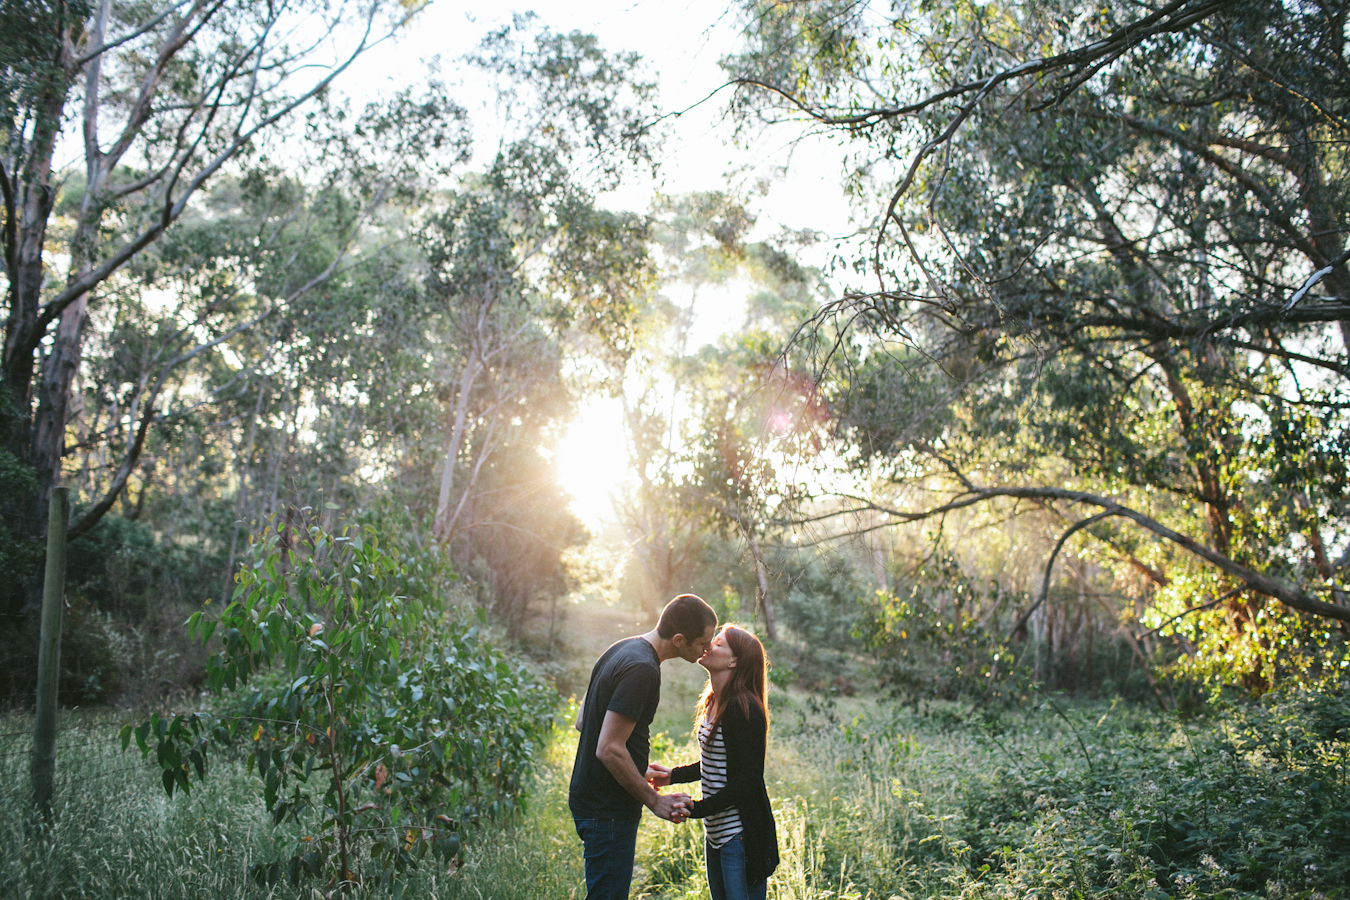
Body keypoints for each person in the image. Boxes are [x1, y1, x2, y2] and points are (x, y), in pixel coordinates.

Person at [570, 593, 718, 900]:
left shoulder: (622, 648)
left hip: (592, 800)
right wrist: (655, 801)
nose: (708, 650)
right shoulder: (643, 668)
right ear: (679, 639)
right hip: (607, 809)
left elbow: (585, 721)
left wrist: (636, 768)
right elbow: (608, 748)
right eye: (703, 643)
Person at [647, 625, 779, 900]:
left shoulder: (744, 707)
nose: (708, 644)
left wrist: (698, 808)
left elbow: (749, 778)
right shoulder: (713, 701)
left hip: (739, 835)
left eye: (718, 643)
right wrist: (673, 775)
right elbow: (717, 762)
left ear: (734, 661)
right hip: (716, 835)